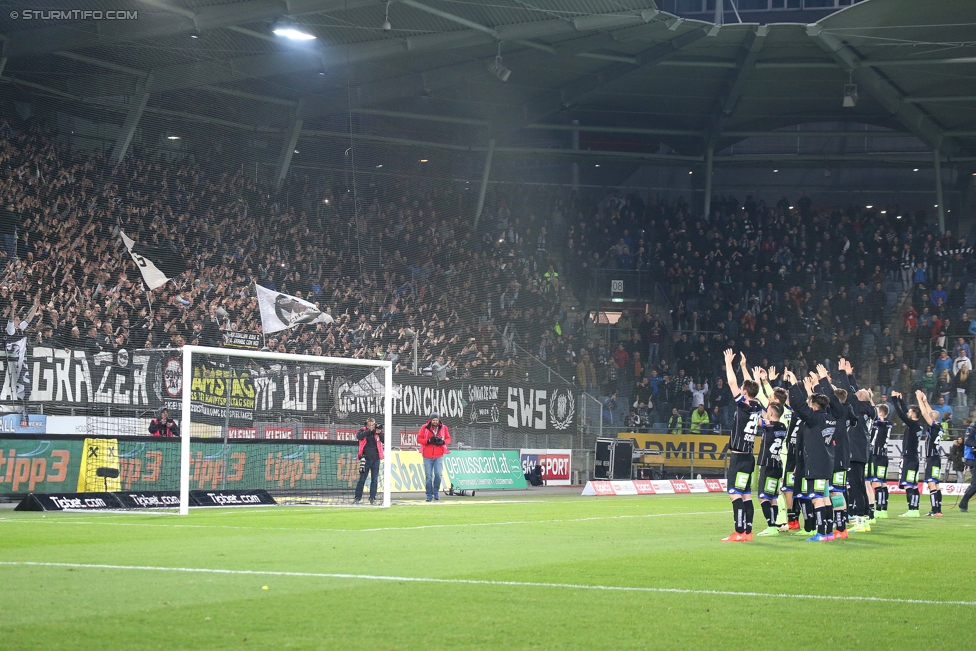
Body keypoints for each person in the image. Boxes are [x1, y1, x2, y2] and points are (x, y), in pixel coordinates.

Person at [788, 365, 843, 542]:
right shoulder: (832, 417)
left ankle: (821, 533)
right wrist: (820, 384)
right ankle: (827, 533)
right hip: (827, 463)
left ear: (814, 405)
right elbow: (832, 402)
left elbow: (798, 405)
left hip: (816, 465)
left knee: (817, 499)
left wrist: (794, 385)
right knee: (825, 498)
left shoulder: (814, 419)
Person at [720, 349, 762, 543]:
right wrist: (744, 367)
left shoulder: (744, 405)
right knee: (746, 495)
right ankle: (748, 532)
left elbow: (731, 383)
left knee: (735, 494)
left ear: (744, 393)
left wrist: (729, 363)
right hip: (749, 457)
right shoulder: (758, 405)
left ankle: (738, 531)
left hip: (738, 458)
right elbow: (752, 387)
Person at [755, 402, 787, 537]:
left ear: (772, 414)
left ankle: (771, 525)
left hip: (767, 464)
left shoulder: (768, 425)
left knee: (763, 497)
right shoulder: (783, 427)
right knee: (773, 497)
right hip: (777, 464)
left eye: (768, 411)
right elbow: (767, 419)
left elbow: (757, 421)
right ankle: (773, 525)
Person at [891, 391, 923, 516]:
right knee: (913, 485)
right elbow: (905, 412)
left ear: (913, 415)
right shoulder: (917, 426)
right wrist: (901, 400)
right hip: (914, 458)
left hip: (909, 459)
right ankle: (915, 510)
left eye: (910, 412)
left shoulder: (913, 425)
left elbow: (901, 415)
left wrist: (894, 400)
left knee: (908, 485)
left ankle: (912, 509)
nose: (907, 413)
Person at [914, 391, 944, 517]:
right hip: (936, 458)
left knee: (931, 483)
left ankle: (934, 510)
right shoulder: (939, 426)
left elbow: (926, 414)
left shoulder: (934, 426)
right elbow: (931, 414)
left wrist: (919, 400)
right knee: (936, 483)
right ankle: (938, 509)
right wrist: (926, 401)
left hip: (932, 458)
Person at [866, 402, 892, 519]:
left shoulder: (879, 422)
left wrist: (870, 401)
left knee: (876, 482)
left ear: (880, 412)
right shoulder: (888, 424)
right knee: (882, 482)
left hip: (876, 455)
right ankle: (884, 508)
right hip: (884, 456)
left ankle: (879, 509)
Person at [417, 413, 451, 502]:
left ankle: (436, 492)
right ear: (430, 420)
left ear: (438, 420)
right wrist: (428, 441)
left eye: (436, 420)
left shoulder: (444, 428)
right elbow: (419, 439)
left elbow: (448, 439)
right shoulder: (424, 427)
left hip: (439, 455)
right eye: (433, 420)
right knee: (428, 476)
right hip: (427, 455)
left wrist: (442, 442)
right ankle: (429, 495)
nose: (435, 422)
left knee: (438, 474)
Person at [354, 418, 384, 505]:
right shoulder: (362, 431)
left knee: (374, 480)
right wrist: (368, 431)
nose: (372, 426)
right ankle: (357, 497)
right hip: (365, 459)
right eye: (370, 425)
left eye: (373, 425)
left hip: (376, 459)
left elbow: (384, 440)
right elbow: (359, 436)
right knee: (362, 479)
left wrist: (379, 433)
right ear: (366, 425)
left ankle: (372, 498)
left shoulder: (377, 432)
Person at [958, 423, 976, 512]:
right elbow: (968, 441)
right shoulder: (972, 428)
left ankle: (963, 503)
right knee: (975, 484)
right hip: (972, 458)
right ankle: (963, 503)